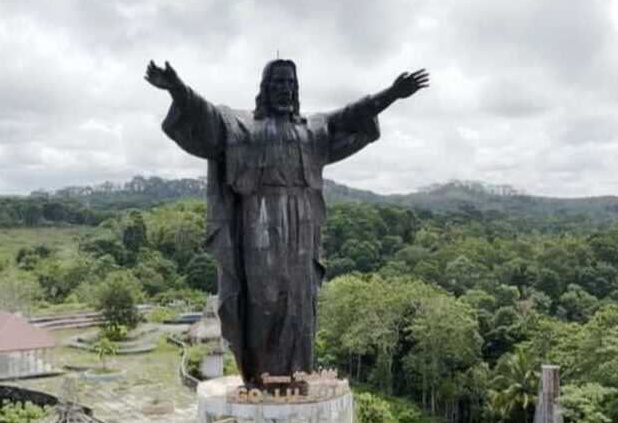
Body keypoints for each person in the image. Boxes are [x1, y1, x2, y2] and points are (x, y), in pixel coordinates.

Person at [146, 59, 429, 386]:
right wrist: (177, 87)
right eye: (278, 83)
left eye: (291, 83)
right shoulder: (243, 126)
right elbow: (205, 114)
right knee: (263, 299)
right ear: (265, 88)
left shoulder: (313, 128)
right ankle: (261, 377)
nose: (285, 89)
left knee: (299, 303)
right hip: (258, 224)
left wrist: (392, 94)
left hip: (303, 226)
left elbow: (352, 115)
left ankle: (296, 377)